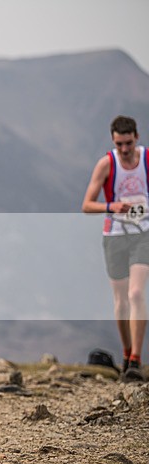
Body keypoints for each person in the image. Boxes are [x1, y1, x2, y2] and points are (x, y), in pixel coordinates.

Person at [82, 115, 149, 382]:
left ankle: (136, 360)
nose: (124, 149)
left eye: (128, 143)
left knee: (136, 294)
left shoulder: (146, 161)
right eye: (119, 144)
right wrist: (111, 207)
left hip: (143, 234)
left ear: (137, 138)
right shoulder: (106, 165)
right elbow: (87, 204)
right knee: (120, 302)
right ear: (113, 140)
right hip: (115, 236)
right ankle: (126, 352)